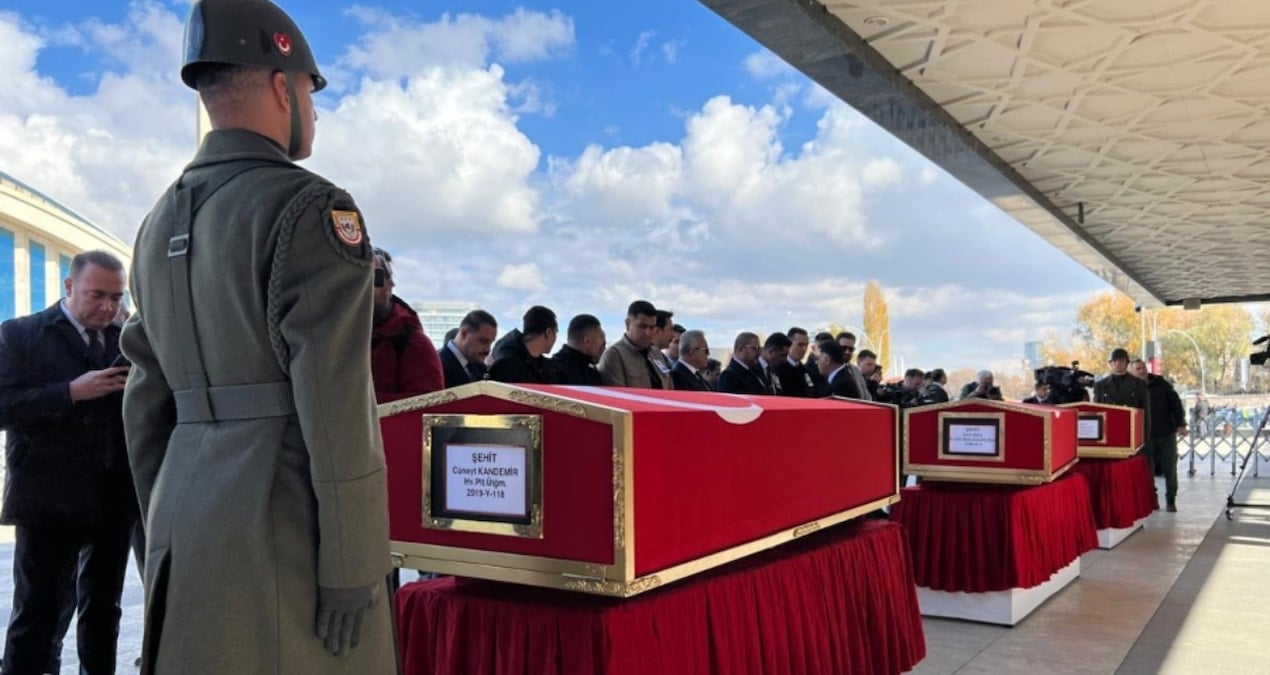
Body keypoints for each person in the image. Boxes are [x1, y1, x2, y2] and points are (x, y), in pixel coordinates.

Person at [120, 1, 395, 671]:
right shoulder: (310, 207)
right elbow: (335, 404)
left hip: (186, 523)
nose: (314, 110)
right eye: (310, 90)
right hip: (287, 531)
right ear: (280, 86)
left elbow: (144, 406)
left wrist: (162, 538)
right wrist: (355, 562)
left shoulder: (156, 224)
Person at [0, 251, 135, 675]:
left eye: (116, 298)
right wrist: (70, 392)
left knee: (104, 611)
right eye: (97, 295)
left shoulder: (126, 341)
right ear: (70, 286)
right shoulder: (21, 335)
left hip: (113, 496)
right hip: (48, 499)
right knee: (38, 614)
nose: (108, 307)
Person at [370, 247, 443, 401]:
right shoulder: (327, 335)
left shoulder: (411, 341)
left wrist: (355, 401)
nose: (364, 287)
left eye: (374, 277)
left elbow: (428, 404)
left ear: (390, 284)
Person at [1131, 359, 1187, 512]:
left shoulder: (1162, 384)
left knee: (1170, 468)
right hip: (1144, 436)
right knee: (1147, 470)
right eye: (1138, 369)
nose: (1141, 371)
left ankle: (1171, 500)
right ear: (1132, 372)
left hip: (1166, 433)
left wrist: (1181, 424)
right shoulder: (1131, 388)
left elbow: (1176, 404)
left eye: (1143, 368)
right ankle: (1152, 499)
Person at [597, 300, 672, 389]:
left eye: (652, 327)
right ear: (627, 324)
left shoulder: (656, 354)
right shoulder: (614, 355)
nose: (648, 333)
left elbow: (669, 388)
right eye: (642, 326)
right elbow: (616, 394)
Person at [488, 306, 559, 384]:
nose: (555, 338)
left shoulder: (544, 365)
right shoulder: (507, 364)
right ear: (548, 332)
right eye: (555, 333)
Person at [440, 310, 497, 388]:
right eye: (483, 341)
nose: (488, 350)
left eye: (490, 343)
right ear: (464, 334)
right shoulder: (438, 365)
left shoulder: (480, 367)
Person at [551, 314, 605, 386]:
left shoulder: (591, 371)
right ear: (587, 341)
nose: (602, 343)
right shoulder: (552, 372)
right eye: (601, 337)